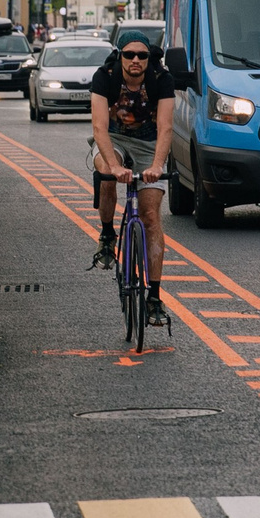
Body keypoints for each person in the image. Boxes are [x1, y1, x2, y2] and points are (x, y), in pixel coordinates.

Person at [89, 36, 174, 326]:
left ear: (149, 58)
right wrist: (113, 165)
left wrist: (157, 166)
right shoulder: (105, 77)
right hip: (115, 140)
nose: (135, 60)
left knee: (151, 216)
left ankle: (154, 297)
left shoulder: (161, 79)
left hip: (150, 145)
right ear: (120, 56)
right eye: (129, 55)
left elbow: (165, 128)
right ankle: (107, 234)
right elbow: (99, 128)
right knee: (106, 173)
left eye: (141, 55)